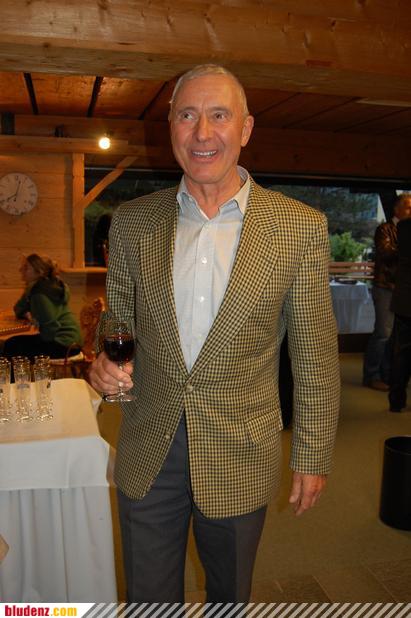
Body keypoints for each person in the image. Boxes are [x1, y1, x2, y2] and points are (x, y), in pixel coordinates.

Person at [89, 64, 340, 604]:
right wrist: (104, 365)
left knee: (229, 597)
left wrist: (313, 455)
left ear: (245, 129)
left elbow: (315, 356)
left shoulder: (298, 228)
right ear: (171, 128)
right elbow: (118, 321)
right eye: (187, 115)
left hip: (240, 449)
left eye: (219, 115)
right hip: (149, 445)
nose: (202, 133)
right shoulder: (132, 222)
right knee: (148, 599)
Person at [363, 194, 411, 391]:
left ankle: (387, 374)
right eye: (408, 207)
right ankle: (371, 375)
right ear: (397, 210)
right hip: (385, 287)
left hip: (403, 289)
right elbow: (386, 253)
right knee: (383, 333)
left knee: (395, 337)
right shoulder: (385, 229)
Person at [3, 254, 82, 361]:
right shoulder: (43, 286)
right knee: (13, 344)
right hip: (71, 340)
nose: (21, 269)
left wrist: (35, 331)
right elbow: (19, 308)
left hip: (64, 344)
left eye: (26, 267)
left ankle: (23, 372)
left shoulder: (39, 294)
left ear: (39, 272)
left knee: (12, 346)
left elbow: (50, 330)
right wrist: (28, 298)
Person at [388, 213, 411, 412]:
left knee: (402, 352)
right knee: (401, 353)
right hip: (405, 298)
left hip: (405, 298)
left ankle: (396, 400)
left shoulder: (403, 227)